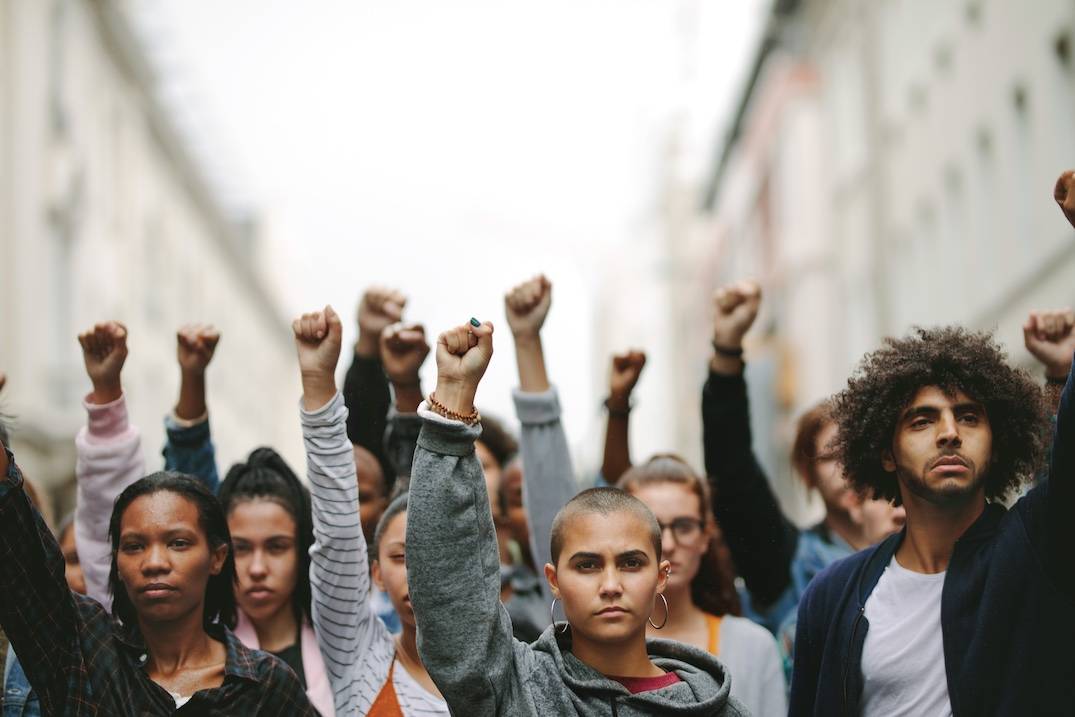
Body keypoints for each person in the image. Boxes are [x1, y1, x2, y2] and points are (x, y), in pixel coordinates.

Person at [405, 317, 746, 716]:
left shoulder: (717, 709)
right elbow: (451, 594)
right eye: (586, 565)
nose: (611, 585)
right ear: (554, 580)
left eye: (631, 563)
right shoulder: (518, 689)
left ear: (661, 576)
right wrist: (452, 403)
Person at [789, 284, 1075, 712]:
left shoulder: (1035, 544)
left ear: (996, 444)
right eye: (922, 420)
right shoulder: (833, 595)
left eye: (968, 417)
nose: (949, 432)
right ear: (886, 452)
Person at [0, 410, 314, 712]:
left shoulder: (266, 688)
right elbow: (25, 552)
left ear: (217, 557)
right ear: (117, 563)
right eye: (134, 546)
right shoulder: (84, 652)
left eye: (178, 543)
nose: (154, 562)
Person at [701, 280, 904, 640]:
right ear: (808, 474)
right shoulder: (787, 563)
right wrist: (727, 351)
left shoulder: (930, 547)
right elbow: (733, 474)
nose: (848, 467)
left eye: (857, 450)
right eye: (830, 457)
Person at [296, 305, 450, 716]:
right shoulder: (357, 656)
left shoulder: (507, 673)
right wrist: (317, 379)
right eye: (401, 557)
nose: (418, 572)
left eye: (434, 556)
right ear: (376, 573)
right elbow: (336, 531)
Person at [617, 455, 787, 716]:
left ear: (705, 536)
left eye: (684, 527)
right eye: (653, 528)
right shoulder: (594, 643)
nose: (670, 545)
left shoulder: (752, 646)